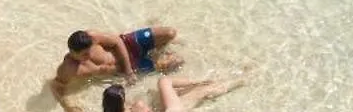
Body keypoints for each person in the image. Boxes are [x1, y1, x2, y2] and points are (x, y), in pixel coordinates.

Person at [51, 27, 182, 111]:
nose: (89, 55)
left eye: (90, 51)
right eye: (84, 54)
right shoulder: (68, 69)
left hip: (128, 45)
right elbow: (56, 85)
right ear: (72, 52)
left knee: (170, 33)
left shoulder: (92, 37)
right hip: (135, 65)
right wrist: (69, 107)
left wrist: (128, 71)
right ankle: (159, 54)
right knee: (176, 62)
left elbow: (117, 42)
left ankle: (157, 40)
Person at [103, 75, 246, 112]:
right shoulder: (138, 107)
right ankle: (240, 81)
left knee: (166, 84)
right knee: (202, 92)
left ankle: (200, 83)